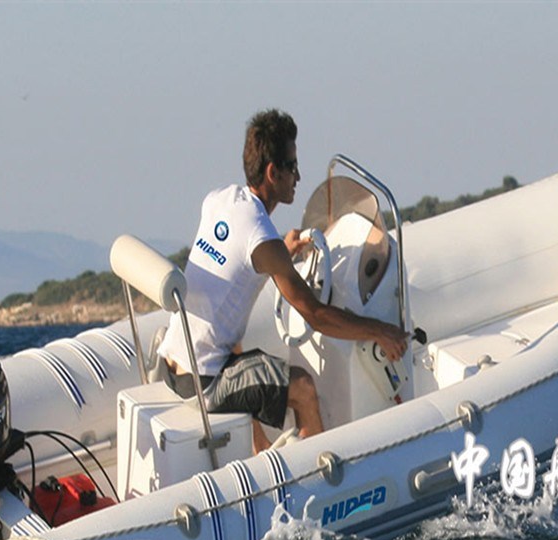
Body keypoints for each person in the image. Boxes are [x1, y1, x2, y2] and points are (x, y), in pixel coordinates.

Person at [158, 109, 408, 452]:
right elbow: (316, 316)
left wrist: (282, 251)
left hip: (173, 364)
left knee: (242, 353)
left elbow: (238, 259)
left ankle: (260, 450)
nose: (298, 176)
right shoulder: (261, 238)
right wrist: (380, 331)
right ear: (273, 172)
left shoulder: (218, 199)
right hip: (203, 381)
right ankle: (319, 482)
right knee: (302, 387)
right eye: (292, 166)